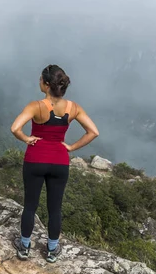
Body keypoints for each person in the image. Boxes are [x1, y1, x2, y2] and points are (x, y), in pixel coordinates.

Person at [10, 64, 99, 263]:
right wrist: (71, 147)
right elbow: (94, 132)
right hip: (60, 161)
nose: (39, 82)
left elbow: (15, 128)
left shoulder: (36, 106)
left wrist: (26, 138)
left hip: (35, 159)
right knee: (55, 208)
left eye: (41, 80)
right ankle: (51, 250)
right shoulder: (73, 108)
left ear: (47, 84)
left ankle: (24, 246)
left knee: (30, 206)